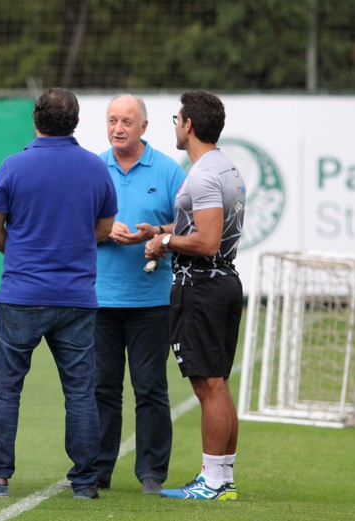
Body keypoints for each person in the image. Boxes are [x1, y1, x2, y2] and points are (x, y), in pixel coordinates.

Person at [0, 87, 118, 500]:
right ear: (77, 122)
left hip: (21, 294)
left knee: (5, 391)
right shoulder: (95, 168)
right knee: (81, 393)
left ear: (36, 120)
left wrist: (18, 253)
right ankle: (85, 482)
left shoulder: (14, 166)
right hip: (77, 298)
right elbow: (104, 228)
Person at [145, 90, 245, 501]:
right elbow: (202, 227)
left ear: (188, 125)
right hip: (220, 281)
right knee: (217, 384)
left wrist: (165, 241)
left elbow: (206, 241)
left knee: (209, 386)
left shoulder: (203, 174)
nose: (174, 124)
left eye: (176, 117)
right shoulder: (223, 166)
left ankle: (214, 482)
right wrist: (158, 232)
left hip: (202, 284)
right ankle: (222, 477)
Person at [93, 94, 186, 494]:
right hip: (98, 299)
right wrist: (101, 229)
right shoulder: (94, 167)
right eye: (113, 120)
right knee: (101, 389)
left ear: (144, 127)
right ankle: (96, 472)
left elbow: (190, 228)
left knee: (150, 388)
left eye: (127, 121)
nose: (118, 128)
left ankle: (151, 474)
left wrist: (158, 236)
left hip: (151, 299)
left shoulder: (169, 170)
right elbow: (74, 220)